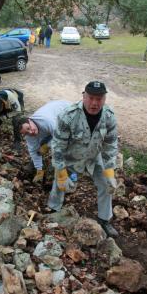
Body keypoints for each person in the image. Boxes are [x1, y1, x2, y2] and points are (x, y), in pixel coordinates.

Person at [48, 81, 119, 237]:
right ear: (83, 96)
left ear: (104, 99)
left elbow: (110, 147)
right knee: (61, 184)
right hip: (72, 158)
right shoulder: (68, 116)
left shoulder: (109, 117)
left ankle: (104, 220)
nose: (94, 103)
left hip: (95, 157)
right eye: (91, 98)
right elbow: (58, 146)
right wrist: (60, 172)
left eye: (99, 99)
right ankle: (54, 209)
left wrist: (109, 172)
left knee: (106, 185)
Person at [14, 100, 71, 182]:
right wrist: (39, 170)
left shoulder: (47, 122)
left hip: (66, 111)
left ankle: (72, 173)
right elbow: (33, 151)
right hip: (53, 123)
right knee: (39, 147)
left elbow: (61, 138)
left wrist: (47, 146)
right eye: (26, 133)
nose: (31, 132)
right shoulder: (29, 135)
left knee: (67, 146)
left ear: (30, 120)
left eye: (29, 128)